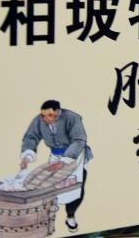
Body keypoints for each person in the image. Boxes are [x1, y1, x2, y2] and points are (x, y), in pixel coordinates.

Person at [20, 100, 92, 233]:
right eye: (43, 115)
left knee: (74, 188)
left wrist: (64, 161)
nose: (45, 119)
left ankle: (71, 215)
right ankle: (47, 219)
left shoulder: (72, 118)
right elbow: (31, 136)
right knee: (50, 186)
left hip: (74, 156)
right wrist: (27, 156)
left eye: (49, 115)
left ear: (58, 112)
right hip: (55, 156)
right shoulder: (39, 120)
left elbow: (79, 140)